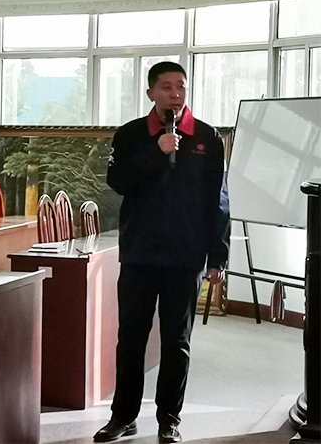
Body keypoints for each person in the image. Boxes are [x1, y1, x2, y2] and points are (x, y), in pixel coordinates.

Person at [93, 61, 229, 444]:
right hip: (140, 252)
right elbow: (118, 181)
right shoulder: (131, 134)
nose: (175, 94)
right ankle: (123, 416)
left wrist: (218, 256)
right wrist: (157, 151)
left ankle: (169, 419)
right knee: (131, 337)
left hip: (185, 257)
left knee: (177, 341)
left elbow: (218, 201)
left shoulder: (207, 137)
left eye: (180, 87)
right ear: (151, 92)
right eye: (166, 87)